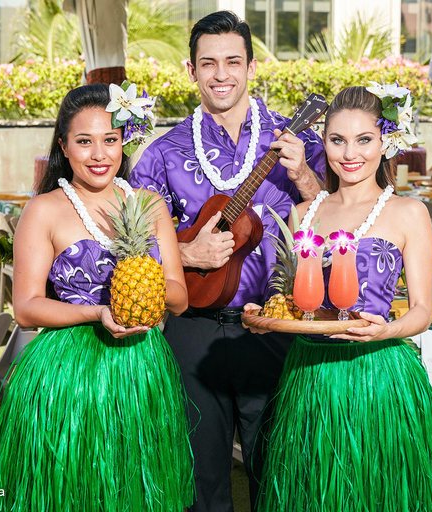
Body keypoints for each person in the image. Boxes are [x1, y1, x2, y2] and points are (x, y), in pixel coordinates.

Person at [129, 10, 325, 512]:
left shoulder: (295, 144)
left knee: (279, 470)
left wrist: (304, 178)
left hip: (275, 325)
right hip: (192, 329)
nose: (221, 74)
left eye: (233, 61)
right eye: (208, 62)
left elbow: (341, 226)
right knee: (201, 478)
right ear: (190, 70)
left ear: (252, 67)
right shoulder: (162, 154)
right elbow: (130, 248)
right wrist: (185, 252)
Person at [0, 84, 194, 511]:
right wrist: (97, 310)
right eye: (84, 141)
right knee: (67, 492)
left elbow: (180, 296)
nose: (99, 154)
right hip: (66, 374)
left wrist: (143, 288)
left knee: (133, 490)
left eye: (110, 140)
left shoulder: (150, 206)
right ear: (63, 144)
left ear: (124, 141)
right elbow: (25, 307)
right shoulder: (44, 210)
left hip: (141, 368)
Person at [246, 85, 432, 511]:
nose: (349, 153)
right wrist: (267, 310)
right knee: (314, 491)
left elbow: (422, 312)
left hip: (378, 375)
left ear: (385, 142)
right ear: (323, 142)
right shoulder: (304, 214)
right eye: (337, 140)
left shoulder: (408, 212)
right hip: (311, 372)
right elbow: (294, 297)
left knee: (380, 493)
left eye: (364, 140)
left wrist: (388, 330)